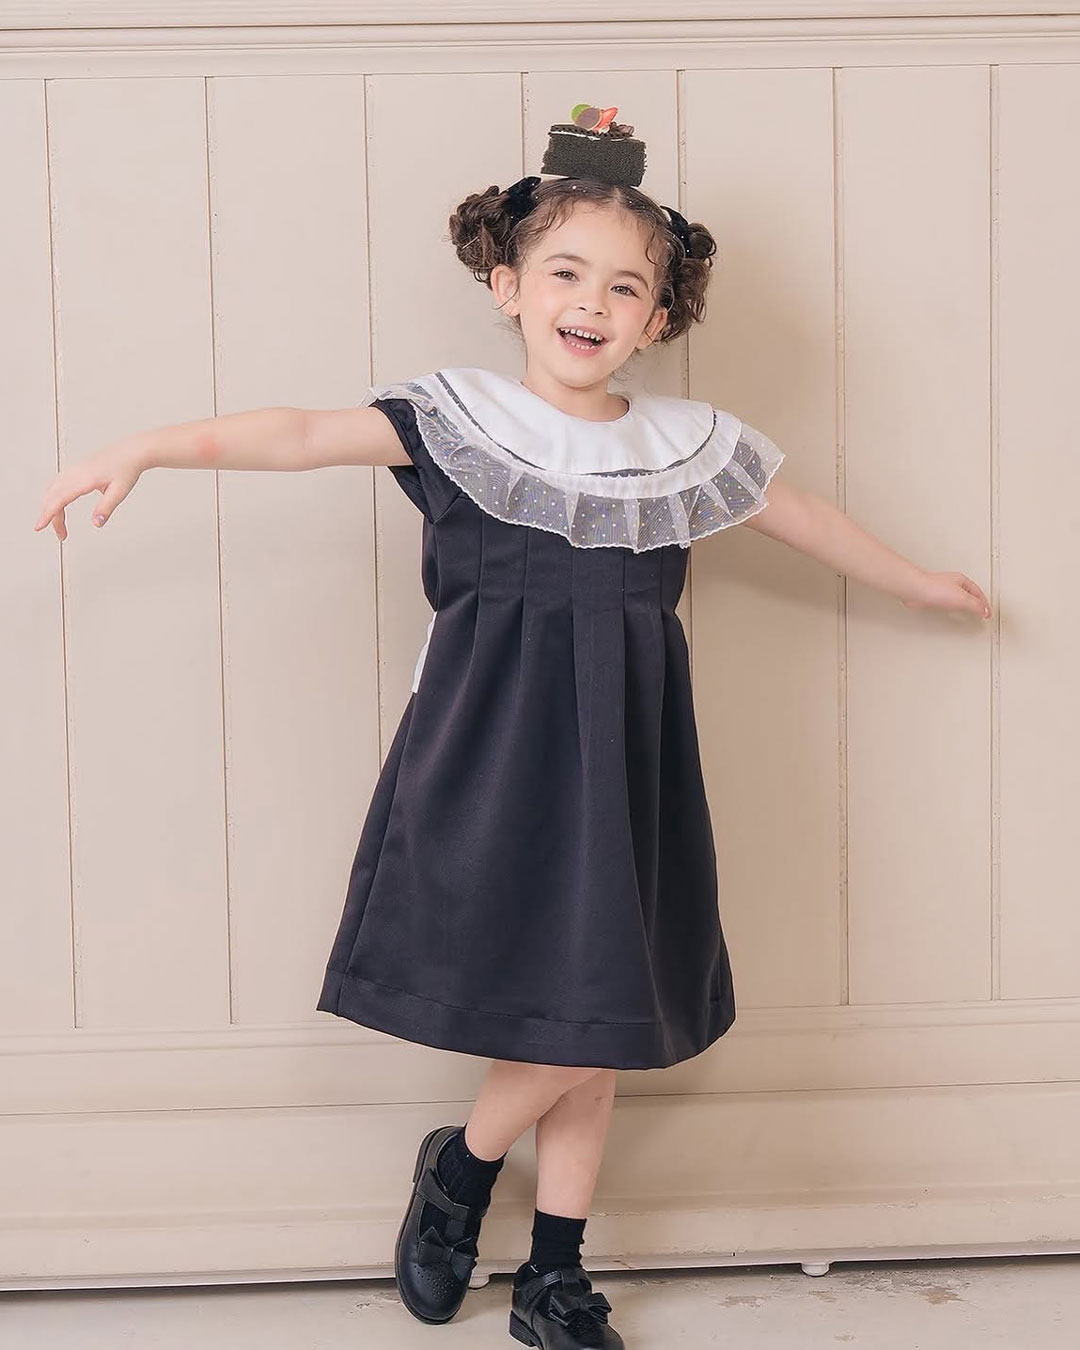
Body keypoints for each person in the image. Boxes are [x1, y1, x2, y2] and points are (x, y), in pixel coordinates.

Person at [33, 103, 992, 1350]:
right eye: (566, 274)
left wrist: (916, 581)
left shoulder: (679, 449)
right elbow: (302, 434)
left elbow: (799, 514)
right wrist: (147, 449)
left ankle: (538, 1260)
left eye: (626, 287)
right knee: (573, 1013)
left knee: (600, 1018)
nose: (593, 303)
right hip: (492, 750)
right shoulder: (461, 425)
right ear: (508, 287)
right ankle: (479, 1189)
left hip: (629, 762)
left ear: (659, 318)